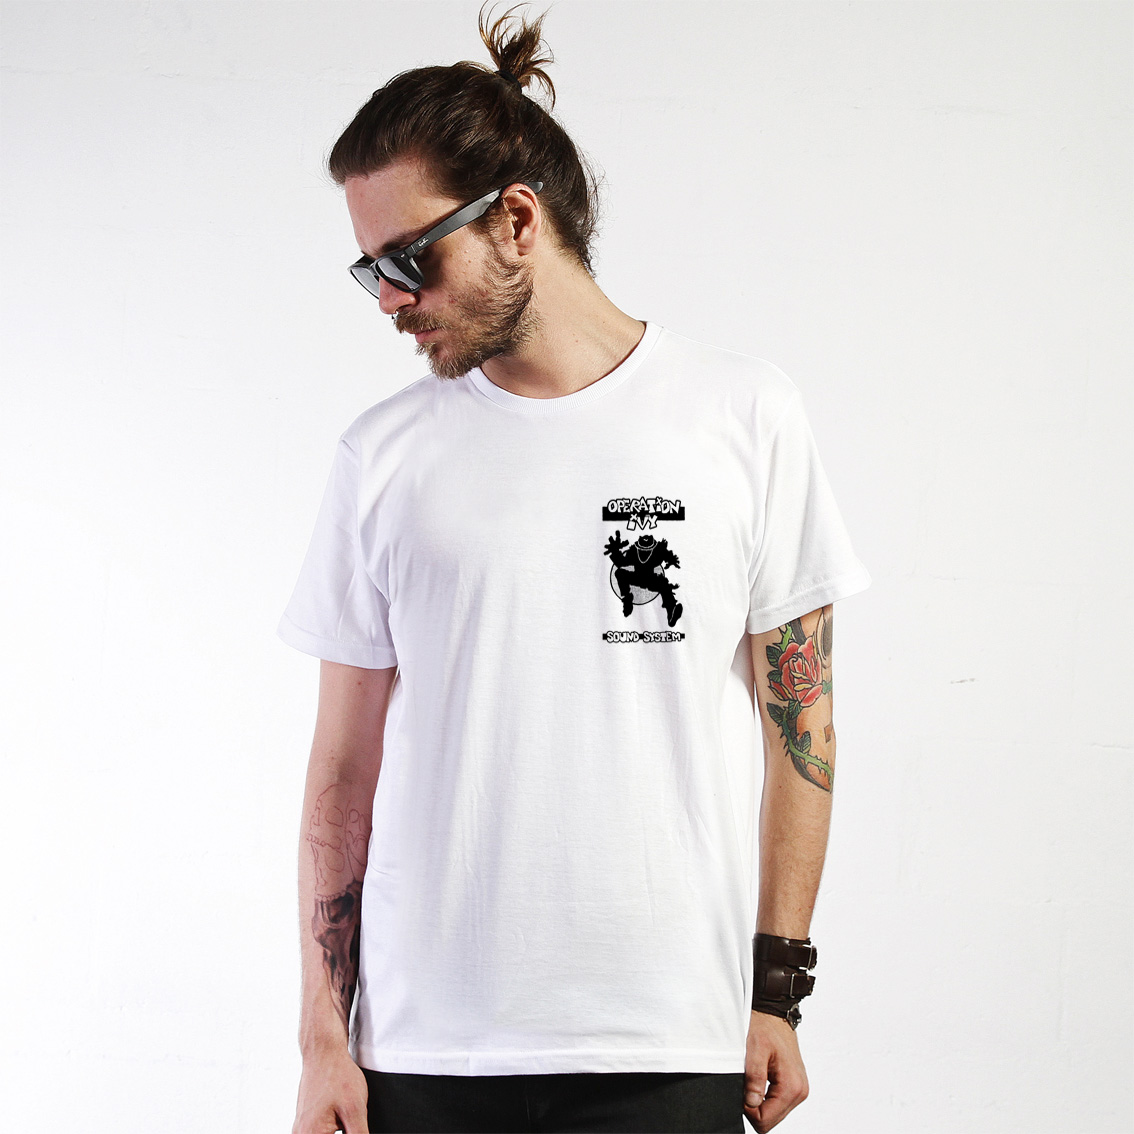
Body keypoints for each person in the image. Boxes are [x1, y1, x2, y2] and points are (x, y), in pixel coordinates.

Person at [278, 4, 871, 1132]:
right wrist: (321, 1035)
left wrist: (777, 991)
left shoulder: (743, 415)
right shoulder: (383, 457)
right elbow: (341, 770)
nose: (391, 300)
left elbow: (804, 729)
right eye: (369, 272)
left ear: (515, 219)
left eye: (408, 260)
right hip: (427, 1046)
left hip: (671, 1036)